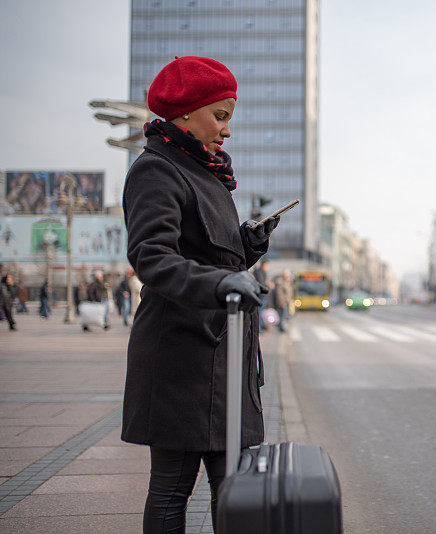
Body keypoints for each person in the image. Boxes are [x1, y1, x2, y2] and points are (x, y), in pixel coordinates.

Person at [120, 56, 279, 534]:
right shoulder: (157, 170)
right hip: (181, 358)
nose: (227, 131)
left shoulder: (205, 171)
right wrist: (220, 282)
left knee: (234, 489)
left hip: (223, 357)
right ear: (185, 113)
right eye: (221, 116)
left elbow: (207, 255)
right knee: (172, 490)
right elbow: (152, 257)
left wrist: (245, 252)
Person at [253, 261, 275, 331]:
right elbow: (262, 284)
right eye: (267, 266)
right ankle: (258, 328)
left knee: (260, 313)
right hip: (261, 296)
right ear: (263, 265)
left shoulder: (262, 273)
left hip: (262, 296)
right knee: (259, 313)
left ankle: (260, 328)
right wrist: (268, 285)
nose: (267, 268)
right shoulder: (260, 273)